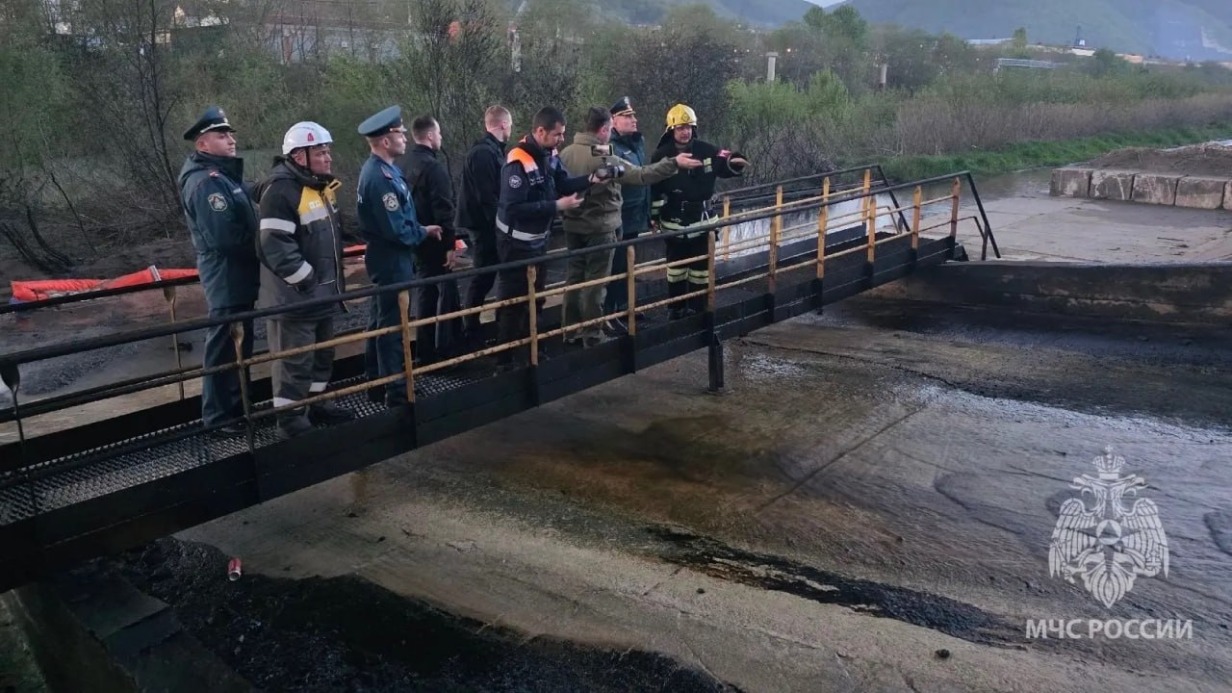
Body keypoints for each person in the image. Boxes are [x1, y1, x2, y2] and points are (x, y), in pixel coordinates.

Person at [558, 105, 699, 346]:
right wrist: (674, 163)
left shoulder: (566, 153)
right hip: (600, 228)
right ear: (604, 129)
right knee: (596, 283)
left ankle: (569, 331)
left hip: (572, 227)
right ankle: (592, 334)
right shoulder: (604, 156)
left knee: (574, 279)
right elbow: (641, 175)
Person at [254, 121, 356, 439]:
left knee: (322, 356)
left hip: (322, 297)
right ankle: (291, 420)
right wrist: (307, 279)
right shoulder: (281, 190)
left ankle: (316, 404)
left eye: (328, 151)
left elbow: (332, 232)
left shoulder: (319, 186)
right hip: (295, 299)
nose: (328, 158)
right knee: (294, 362)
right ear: (300, 156)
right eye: (321, 152)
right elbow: (274, 244)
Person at [494, 106, 606, 369]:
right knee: (513, 303)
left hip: (537, 242)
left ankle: (533, 349)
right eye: (557, 134)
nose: (561, 140)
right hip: (515, 245)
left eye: (563, 134)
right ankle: (504, 360)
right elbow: (513, 207)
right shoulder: (517, 161)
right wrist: (556, 206)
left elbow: (563, 183)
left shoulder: (549, 154)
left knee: (537, 298)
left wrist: (590, 180)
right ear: (540, 131)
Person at [177, 105, 260, 436]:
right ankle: (218, 418)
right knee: (224, 345)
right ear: (202, 145)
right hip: (226, 275)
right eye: (221, 135)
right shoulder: (205, 183)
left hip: (238, 275)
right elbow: (225, 237)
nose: (231, 140)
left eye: (230, 134)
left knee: (240, 344)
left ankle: (238, 409)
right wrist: (263, 246)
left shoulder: (222, 176)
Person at [355, 105, 443, 406]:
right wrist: (420, 233)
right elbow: (397, 230)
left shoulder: (388, 171)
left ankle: (377, 382)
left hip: (392, 257)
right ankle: (394, 389)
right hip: (391, 259)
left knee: (382, 320)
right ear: (384, 141)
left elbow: (403, 220)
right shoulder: (379, 179)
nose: (405, 137)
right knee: (392, 325)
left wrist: (422, 227)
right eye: (399, 133)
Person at [650, 103, 750, 319]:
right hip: (674, 223)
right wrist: (654, 217)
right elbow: (655, 190)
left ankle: (698, 310)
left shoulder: (706, 150)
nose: (685, 132)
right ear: (671, 130)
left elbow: (725, 159)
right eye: (680, 128)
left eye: (688, 127)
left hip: (704, 223)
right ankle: (676, 309)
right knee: (676, 270)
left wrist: (735, 161)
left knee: (701, 271)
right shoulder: (661, 155)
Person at [396, 115, 461, 365]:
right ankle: (446, 348)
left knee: (425, 292)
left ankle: (424, 349)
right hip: (435, 239)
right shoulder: (434, 168)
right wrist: (449, 246)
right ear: (431, 136)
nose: (441, 137)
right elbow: (444, 209)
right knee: (446, 293)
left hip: (415, 239)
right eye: (439, 133)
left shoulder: (403, 164)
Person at [456, 106, 513, 347]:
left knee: (489, 274)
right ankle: (469, 328)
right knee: (483, 276)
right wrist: (501, 226)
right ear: (502, 125)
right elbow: (486, 196)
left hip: (488, 223)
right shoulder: (484, 154)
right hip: (484, 226)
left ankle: (477, 324)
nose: (510, 129)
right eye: (509, 125)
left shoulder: (493, 151)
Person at [603, 97, 655, 332]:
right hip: (619, 217)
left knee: (629, 265)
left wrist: (650, 212)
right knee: (616, 267)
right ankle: (609, 312)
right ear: (614, 121)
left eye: (633, 116)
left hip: (635, 215)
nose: (634, 120)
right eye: (628, 116)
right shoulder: (608, 146)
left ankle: (624, 306)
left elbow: (643, 178)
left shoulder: (637, 143)